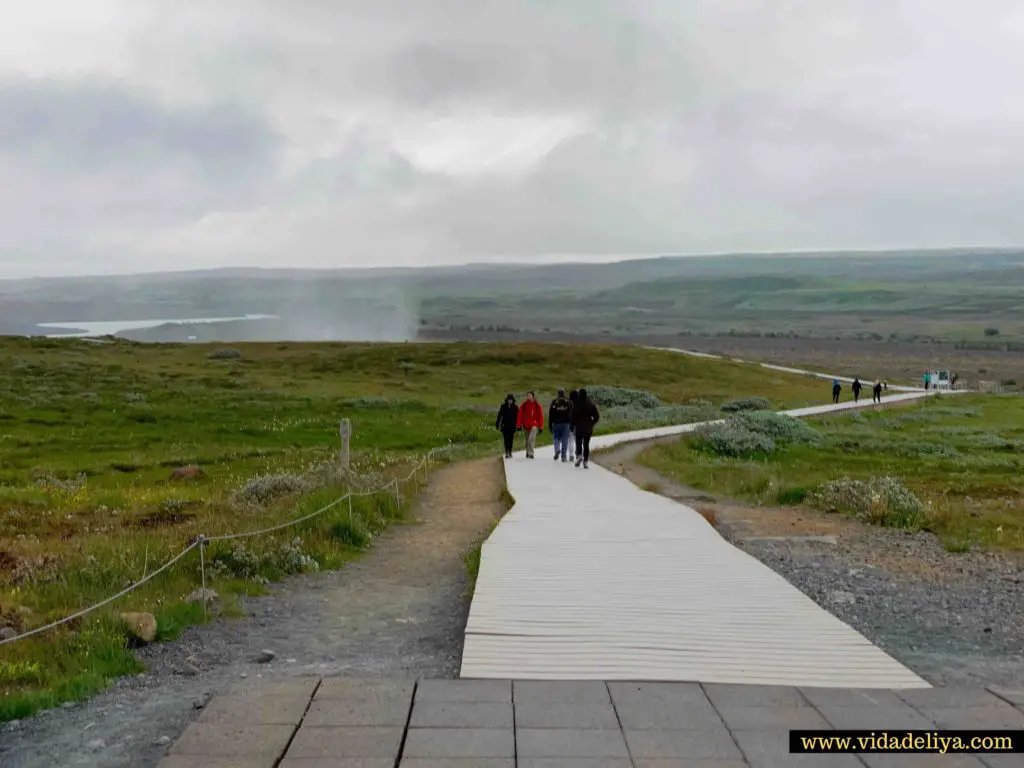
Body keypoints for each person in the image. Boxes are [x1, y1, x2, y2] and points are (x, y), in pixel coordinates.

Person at [571, 387, 600, 468]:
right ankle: (586, 461)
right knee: (586, 444)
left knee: (578, 442)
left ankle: (579, 456)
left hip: (579, 426)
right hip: (588, 427)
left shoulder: (577, 403)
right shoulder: (590, 403)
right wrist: (593, 423)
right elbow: (597, 416)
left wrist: (572, 425)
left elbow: (573, 415)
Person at [516, 390, 544, 459]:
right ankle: (528, 452)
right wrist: (518, 426)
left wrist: (541, 426)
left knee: (531, 439)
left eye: (530, 395)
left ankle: (531, 453)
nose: (528, 397)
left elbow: (541, 416)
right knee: (527, 440)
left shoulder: (537, 405)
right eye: (527, 395)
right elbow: (519, 415)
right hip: (526, 425)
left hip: (534, 425)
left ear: (533, 396)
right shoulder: (524, 405)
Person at [548, 388, 573, 462]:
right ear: (564, 393)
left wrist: (550, 425)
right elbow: (572, 413)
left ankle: (557, 450)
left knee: (556, 438)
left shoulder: (554, 401)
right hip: (566, 423)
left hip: (556, 423)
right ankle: (564, 456)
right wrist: (572, 424)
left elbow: (551, 414)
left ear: (558, 393)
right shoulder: (569, 401)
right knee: (565, 440)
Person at [495, 394, 519, 459]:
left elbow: (518, 417)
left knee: (511, 439)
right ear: (507, 400)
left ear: (513, 400)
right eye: (509, 400)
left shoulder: (515, 407)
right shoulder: (503, 406)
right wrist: (497, 424)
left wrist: (518, 426)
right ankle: (507, 452)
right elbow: (499, 415)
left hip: (512, 426)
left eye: (511, 400)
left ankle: (510, 451)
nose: (510, 401)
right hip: (505, 426)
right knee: (506, 439)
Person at [567, 389, 579, 462]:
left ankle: (571, 455)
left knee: (570, 440)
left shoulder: (567, 402)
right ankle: (578, 452)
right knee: (578, 440)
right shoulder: (579, 403)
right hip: (577, 424)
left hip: (568, 423)